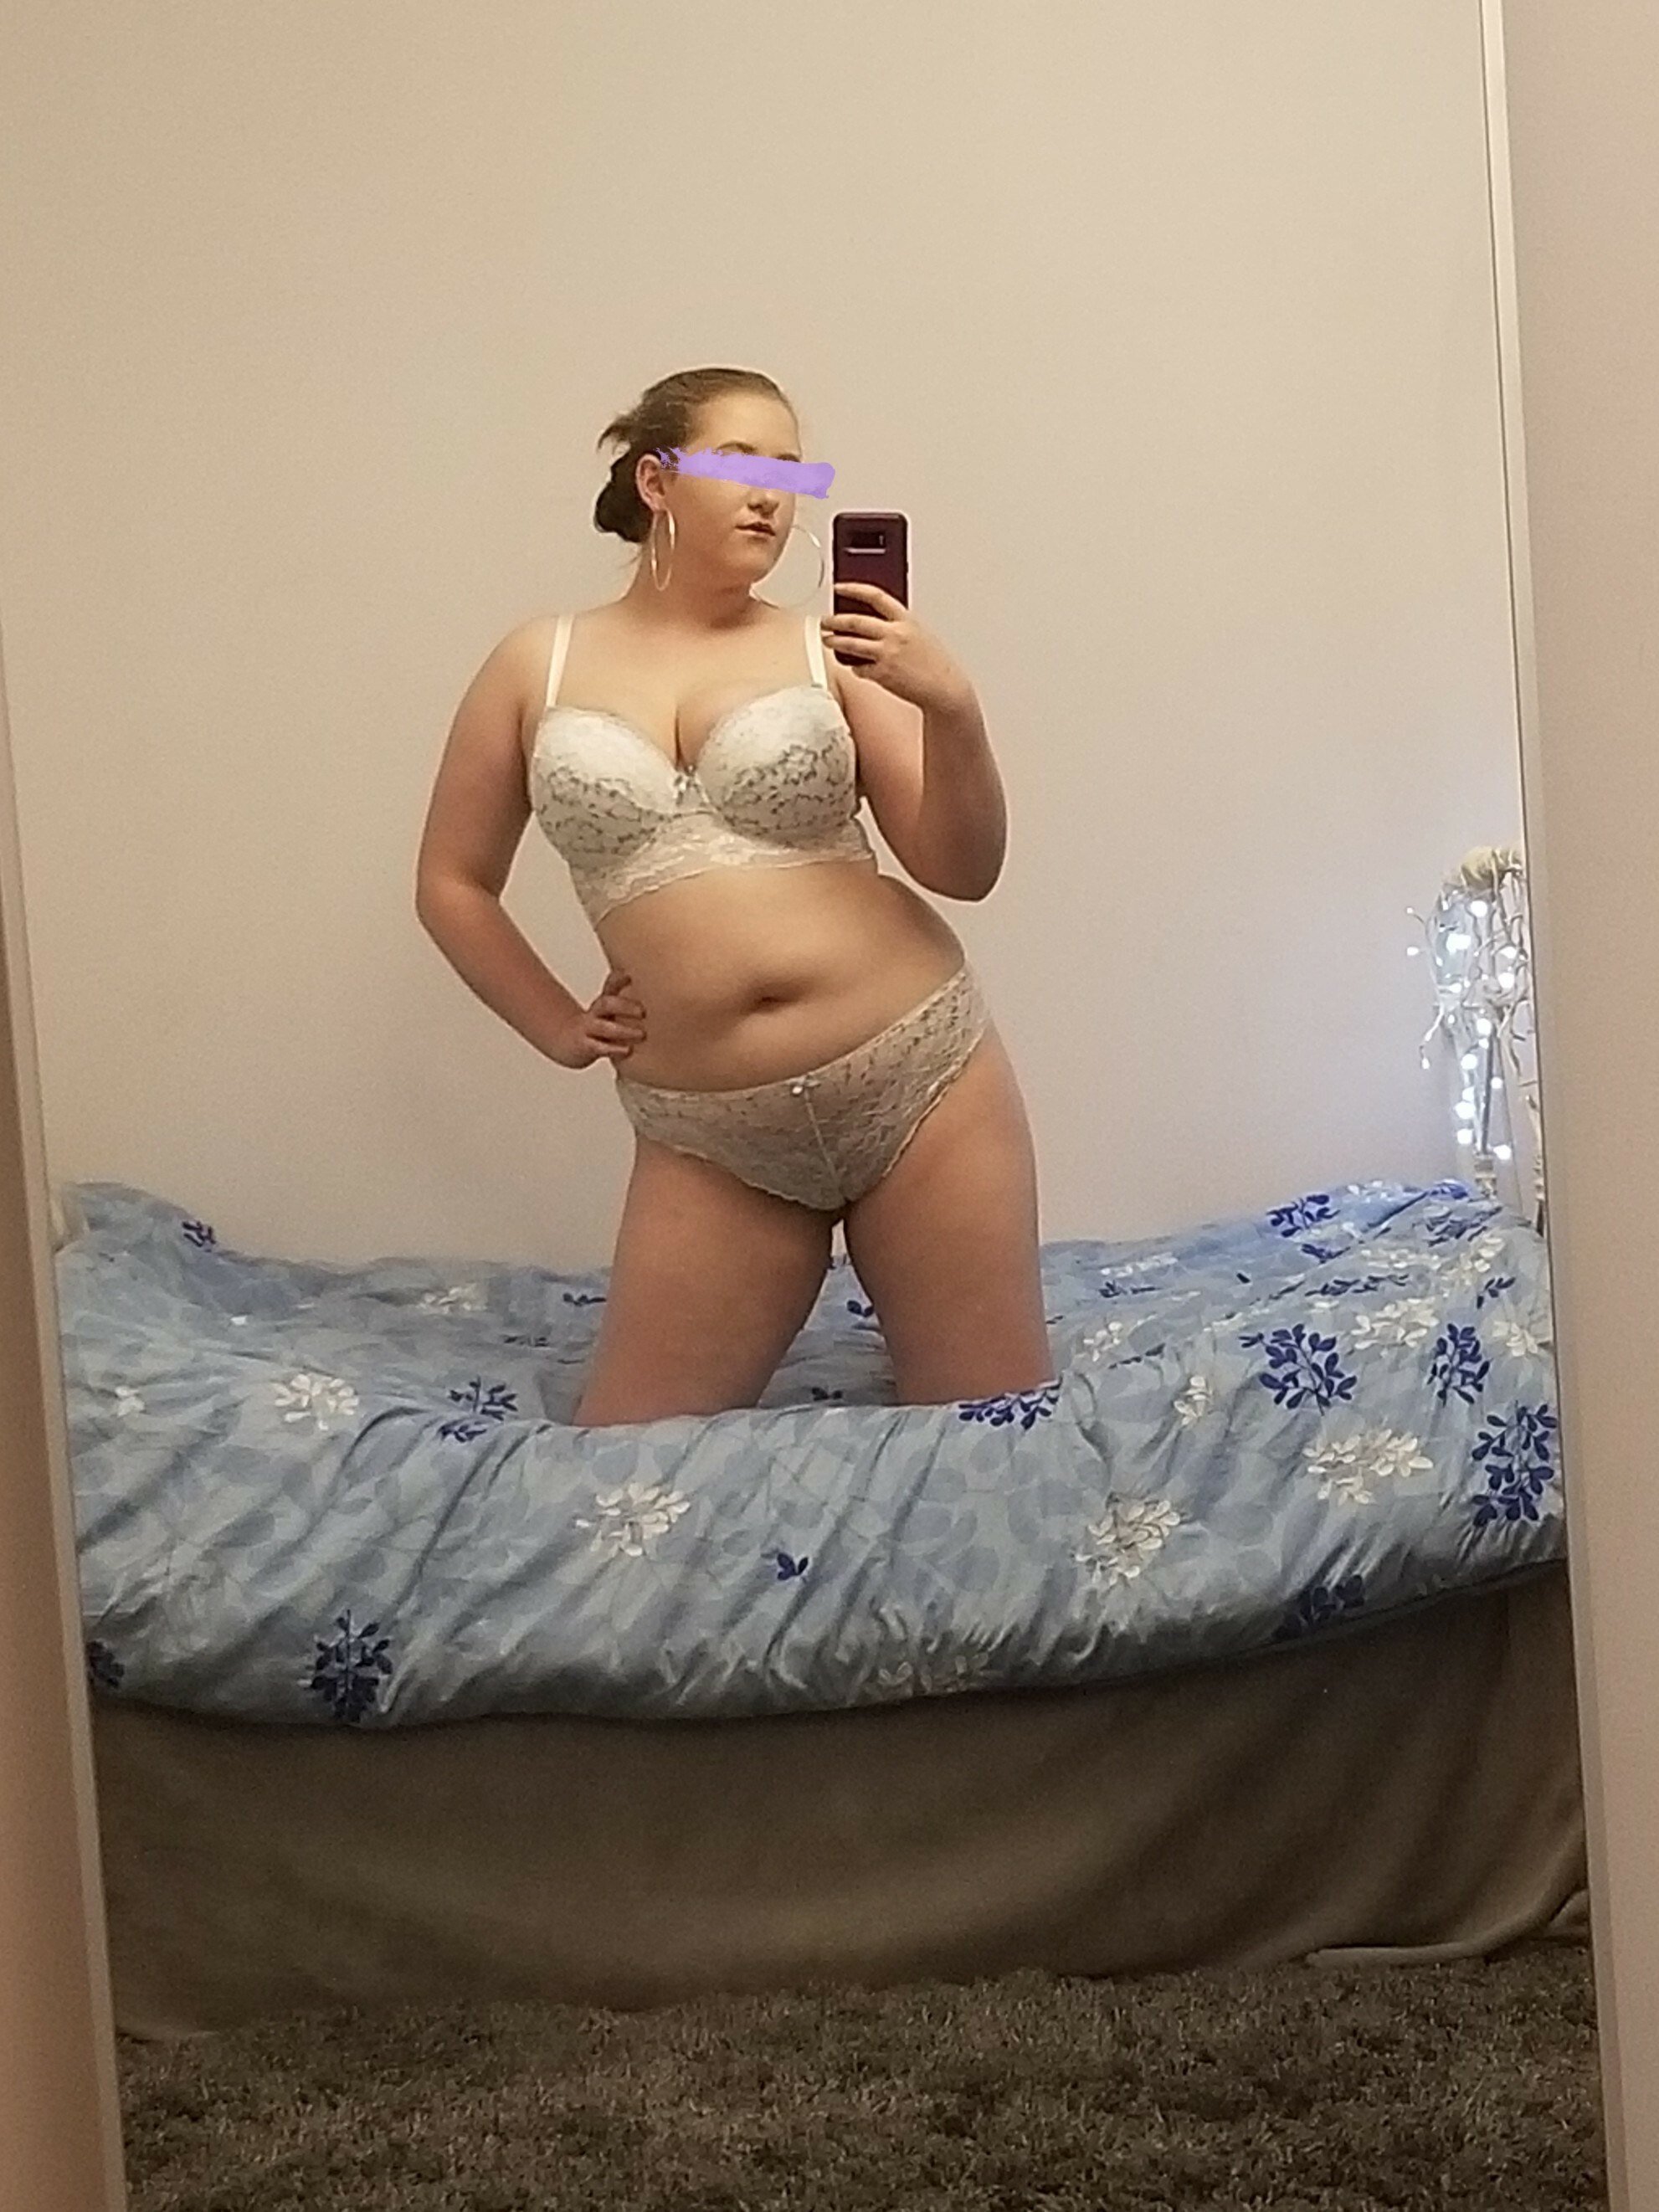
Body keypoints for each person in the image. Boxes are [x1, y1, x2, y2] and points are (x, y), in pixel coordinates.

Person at [415, 365, 1055, 1424]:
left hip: (919, 1075)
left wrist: (952, 707)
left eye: (791, 473)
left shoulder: (827, 646)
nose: (771, 495)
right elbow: (451, 881)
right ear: (656, 481)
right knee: (624, 1459)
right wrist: (558, 1026)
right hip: (709, 1137)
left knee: (989, 1434)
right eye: (739, 463)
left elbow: (962, 867)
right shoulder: (537, 663)